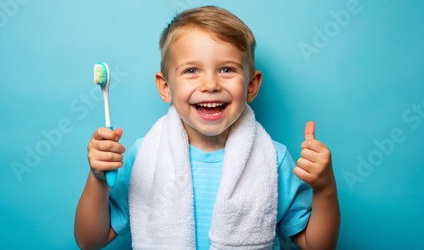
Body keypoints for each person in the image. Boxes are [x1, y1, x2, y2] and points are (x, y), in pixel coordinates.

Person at [75, 5, 340, 250]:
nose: (210, 84)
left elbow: (316, 245)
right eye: (192, 71)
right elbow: (90, 240)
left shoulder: (273, 159)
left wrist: (325, 189)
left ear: (251, 85)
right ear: (166, 87)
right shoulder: (145, 157)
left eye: (226, 69)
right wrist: (98, 179)